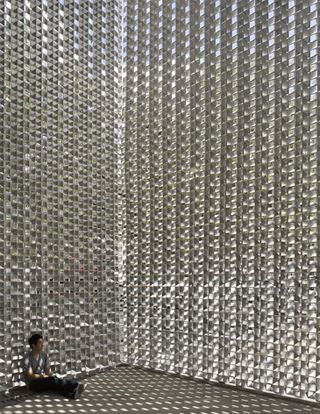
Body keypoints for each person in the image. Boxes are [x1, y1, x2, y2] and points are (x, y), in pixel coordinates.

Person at [22, 333, 86, 399]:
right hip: (32, 384)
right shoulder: (27, 358)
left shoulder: (44, 355)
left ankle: (71, 394)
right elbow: (30, 376)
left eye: (42, 343)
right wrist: (44, 376)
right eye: (40, 343)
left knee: (55, 382)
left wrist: (50, 375)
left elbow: (47, 370)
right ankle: (75, 385)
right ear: (33, 345)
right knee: (53, 380)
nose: (42, 345)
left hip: (41, 380)